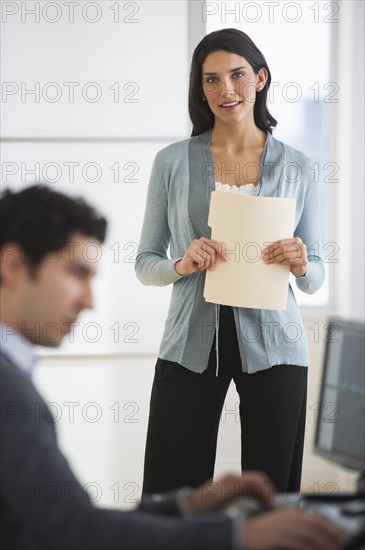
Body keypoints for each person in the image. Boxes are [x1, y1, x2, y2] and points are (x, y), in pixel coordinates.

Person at [0, 185, 347, 550]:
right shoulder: (9, 390)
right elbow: (75, 532)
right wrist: (235, 535)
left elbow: (68, 521)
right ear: (12, 265)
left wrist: (183, 507)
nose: (89, 301)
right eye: (76, 273)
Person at [135, 28, 325, 496]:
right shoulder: (172, 162)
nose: (226, 90)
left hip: (276, 347)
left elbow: (315, 276)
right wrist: (182, 263)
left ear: (260, 78)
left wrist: (301, 262)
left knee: (272, 496)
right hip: (188, 344)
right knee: (169, 490)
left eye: (237, 75)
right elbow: (145, 262)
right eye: (211, 80)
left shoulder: (298, 167)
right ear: (200, 90)